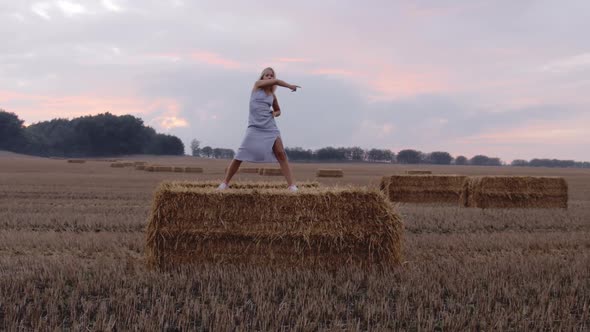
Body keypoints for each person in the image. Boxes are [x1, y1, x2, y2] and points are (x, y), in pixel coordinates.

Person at [218, 67, 301, 191]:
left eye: (271, 75)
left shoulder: (272, 95)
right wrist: (289, 86)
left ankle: (292, 186)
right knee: (240, 155)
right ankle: (225, 183)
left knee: (281, 153)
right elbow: (276, 81)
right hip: (255, 126)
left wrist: (275, 113)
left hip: (270, 126)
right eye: (266, 75)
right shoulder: (257, 86)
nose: (269, 77)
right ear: (262, 78)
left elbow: (278, 110)